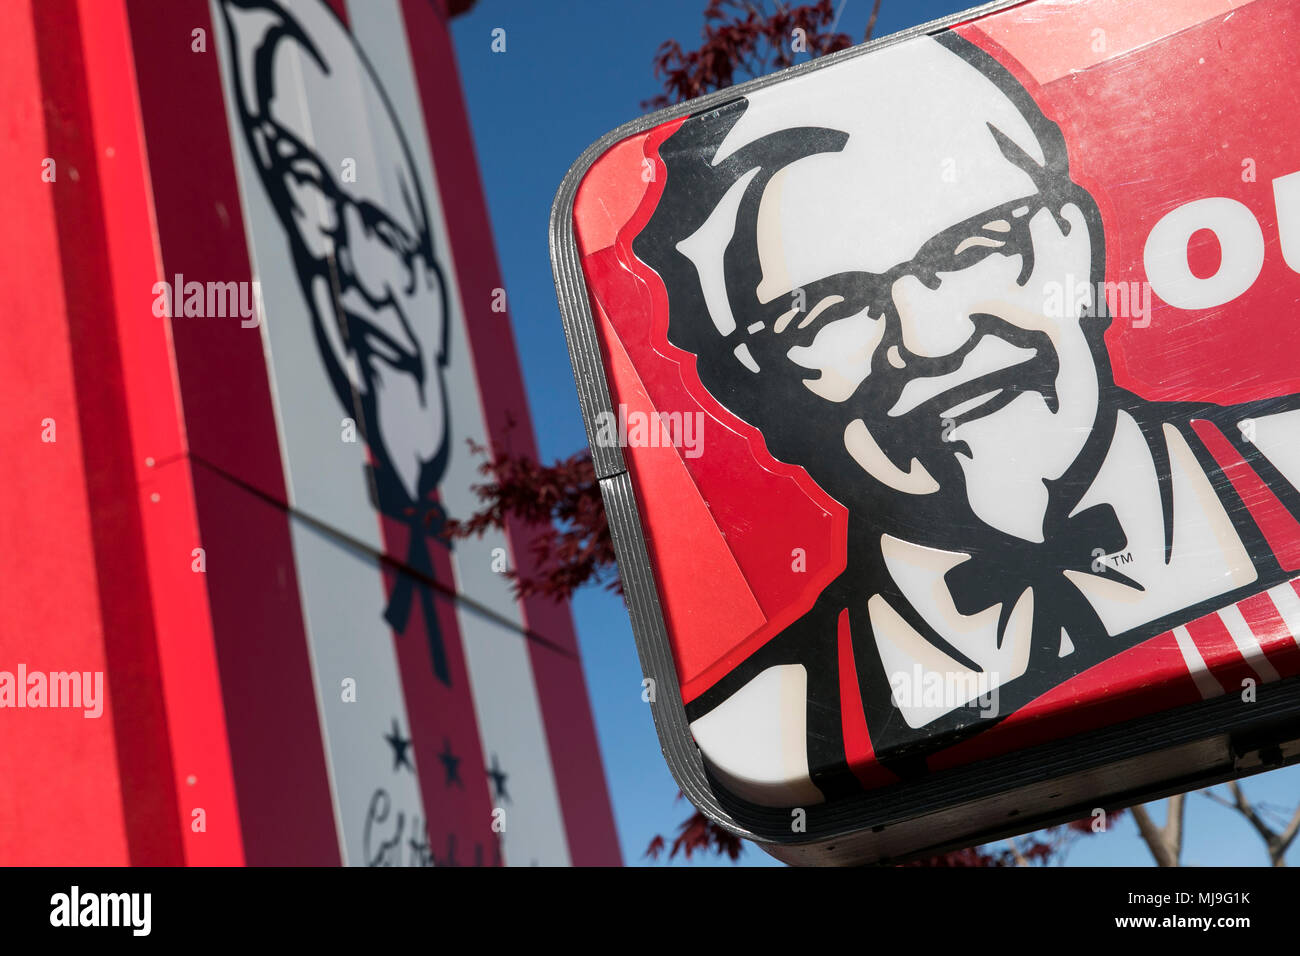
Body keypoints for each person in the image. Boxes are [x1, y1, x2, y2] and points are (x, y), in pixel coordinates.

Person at [634, 31, 1300, 805]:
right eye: (823, 312)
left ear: (1076, 246)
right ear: (750, 396)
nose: (932, 337)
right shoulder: (770, 731)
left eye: (977, 244)